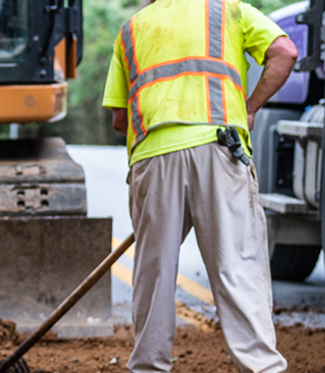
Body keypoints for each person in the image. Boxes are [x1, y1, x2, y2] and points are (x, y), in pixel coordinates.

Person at [101, 0, 298, 371]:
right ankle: (260, 367)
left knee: (154, 274)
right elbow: (285, 52)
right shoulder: (229, 9)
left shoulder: (131, 29)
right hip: (220, 148)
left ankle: (148, 366)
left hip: (153, 156)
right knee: (236, 268)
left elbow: (118, 119)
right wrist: (251, 106)